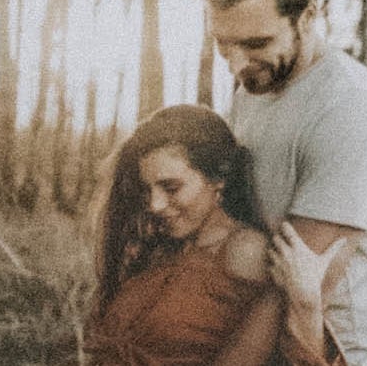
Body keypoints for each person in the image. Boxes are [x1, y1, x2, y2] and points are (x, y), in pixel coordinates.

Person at [202, 0, 367, 366]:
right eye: (224, 42)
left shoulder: (350, 110)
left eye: (257, 43)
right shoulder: (254, 86)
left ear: (308, 16)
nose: (237, 63)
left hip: (350, 355)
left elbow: (293, 292)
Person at [80, 106, 282, 366]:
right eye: (147, 189)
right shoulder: (159, 246)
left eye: (171, 188)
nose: (155, 205)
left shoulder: (245, 250)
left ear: (218, 179)